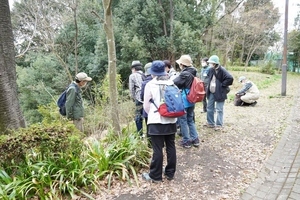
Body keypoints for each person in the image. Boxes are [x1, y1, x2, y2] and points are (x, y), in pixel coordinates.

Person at [142, 60, 177, 182]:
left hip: (156, 120)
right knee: (171, 146)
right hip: (172, 120)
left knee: (157, 149)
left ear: (153, 73)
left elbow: (146, 106)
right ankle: (170, 173)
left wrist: (152, 113)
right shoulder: (171, 83)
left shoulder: (150, 85)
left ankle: (155, 176)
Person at [173, 55, 200, 148]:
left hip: (185, 99)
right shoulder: (194, 72)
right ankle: (195, 139)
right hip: (192, 98)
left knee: (183, 120)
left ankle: (186, 141)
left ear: (182, 64)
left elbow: (175, 82)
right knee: (190, 120)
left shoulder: (185, 74)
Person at [204, 55, 233, 131]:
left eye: (211, 63)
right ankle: (210, 123)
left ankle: (219, 124)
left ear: (215, 63)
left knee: (219, 109)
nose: (210, 64)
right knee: (209, 108)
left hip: (220, 92)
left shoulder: (222, 70)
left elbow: (230, 78)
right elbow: (208, 78)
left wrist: (222, 85)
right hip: (211, 91)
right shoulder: (210, 70)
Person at [129, 61, 145, 135]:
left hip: (139, 98)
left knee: (138, 117)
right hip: (147, 98)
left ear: (134, 68)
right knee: (147, 116)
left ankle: (140, 134)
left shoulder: (132, 76)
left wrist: (133, 98)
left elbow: (131, 89)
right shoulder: (144, 74)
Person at [140, 62, 153, 145]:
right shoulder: (161, 81)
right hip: (159, 109)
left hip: (147, 109)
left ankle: (150, 144)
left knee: (149, 127)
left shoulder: (144, 83)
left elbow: (142, 96)